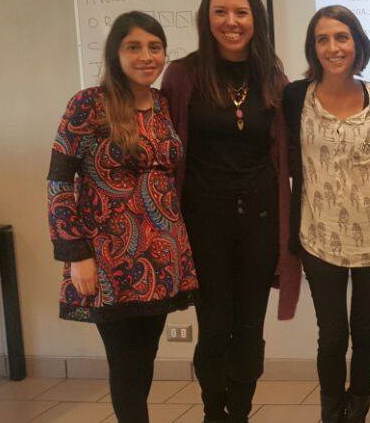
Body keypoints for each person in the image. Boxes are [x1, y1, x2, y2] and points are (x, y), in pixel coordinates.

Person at [47, 11, 198, 422]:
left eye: (154, 47)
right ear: (116, 52)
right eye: (134, 47)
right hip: (109, 257)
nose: (146, 56)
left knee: (144, 358)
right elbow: (59, 182)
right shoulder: (87, 104)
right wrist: (76, 254)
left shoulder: (164, 104)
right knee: (125, 363)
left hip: (161, 256)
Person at [160, 0, 299, 421]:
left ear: (256, 19)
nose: (231, 22)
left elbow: (285, 150)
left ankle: (239, 411)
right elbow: (166, 147)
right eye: (221, 11)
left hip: (260, 219)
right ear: (207, 18)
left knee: (250, 327)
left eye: (241, 12)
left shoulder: (272, 76)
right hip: (203, 220)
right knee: (216, 326)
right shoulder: (183, 74)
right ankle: (212, 411)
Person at [282, 6, 370, 423]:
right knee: (332, 335)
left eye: (341, 37)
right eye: (323, 39)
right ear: (313, 47)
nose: (333, 47)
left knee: (366, 330)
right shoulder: (295, 97)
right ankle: (332, 412)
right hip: (318, 234)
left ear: (357, 43)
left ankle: (359, 407)